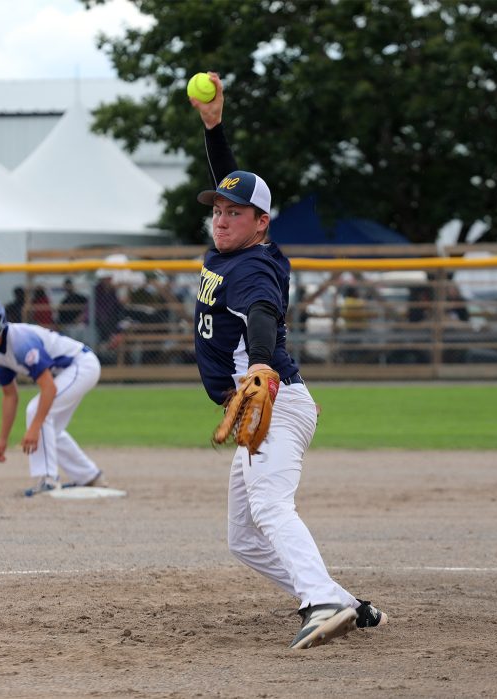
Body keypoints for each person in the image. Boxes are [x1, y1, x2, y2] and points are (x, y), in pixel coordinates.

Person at [189, 72, 387, 650]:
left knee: (270, 505)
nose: (222, 218)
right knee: (244, 540)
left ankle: (320, 602)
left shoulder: (253, 268)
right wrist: (214, 127)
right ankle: (344, 602)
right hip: (264, 401)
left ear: (261, 224)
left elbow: (261, 318)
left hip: (272, 400)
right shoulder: (242, 244)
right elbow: (231, 182)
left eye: (234, 212)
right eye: (218, 210)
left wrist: (259, 366)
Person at [0, 292, 109, 496]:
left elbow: (49, 387)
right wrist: (2, 438)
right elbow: (9, 395)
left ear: (0, 318)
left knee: (36, 412)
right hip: (67, 372)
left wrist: (33, 428)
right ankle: (90, 476)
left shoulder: (21, 341)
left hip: (81, 365)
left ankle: (48, 479)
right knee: (51, 431)